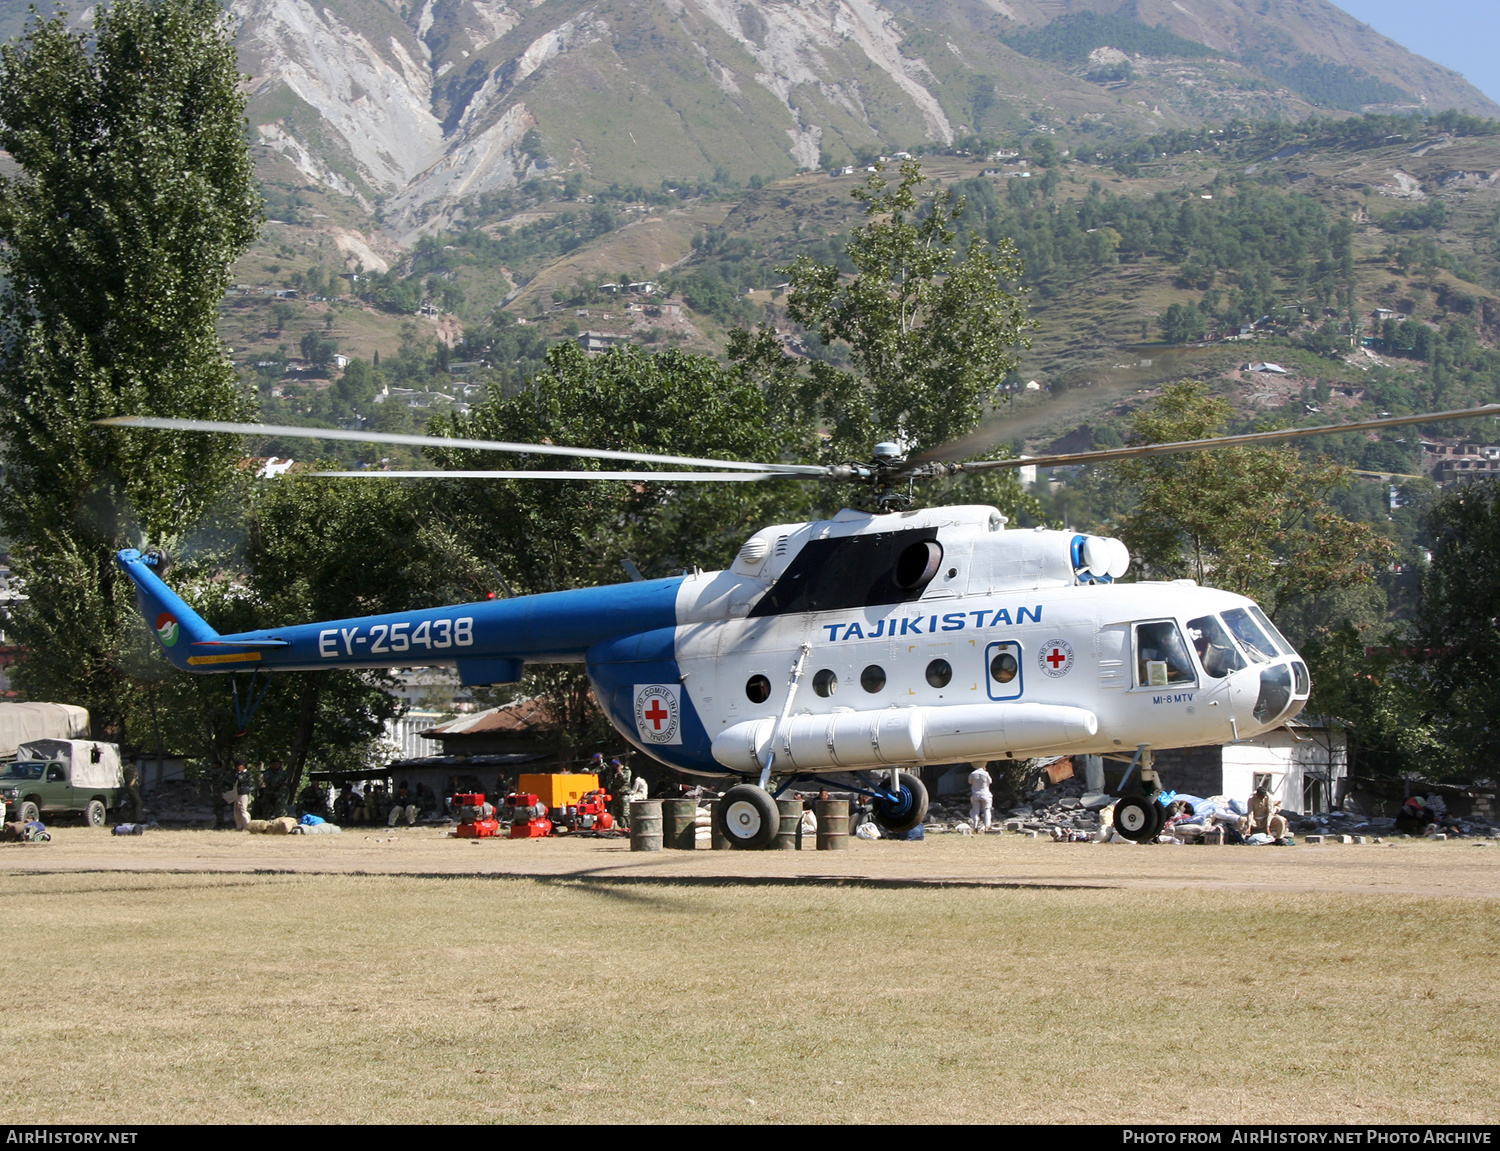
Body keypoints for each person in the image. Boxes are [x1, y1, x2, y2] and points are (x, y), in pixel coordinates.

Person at [968, 762, 993, 831]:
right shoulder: (986, 773)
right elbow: (990, 781)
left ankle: (975, 826)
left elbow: (970, 782)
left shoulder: (973, 774)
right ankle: (987, 826)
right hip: (985, 794)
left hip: (976, 794)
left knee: (975, 811)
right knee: (987, 810)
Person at [230, 761, 254, 831]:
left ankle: (248, 826)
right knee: (237, 810)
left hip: (244, 793)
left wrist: (239, 773)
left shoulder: (246, 773)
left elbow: (241, 780)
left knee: (243, 809)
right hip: (238, 793)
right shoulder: (238, 774)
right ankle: (239, 826)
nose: (238, 767)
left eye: (240, 766)